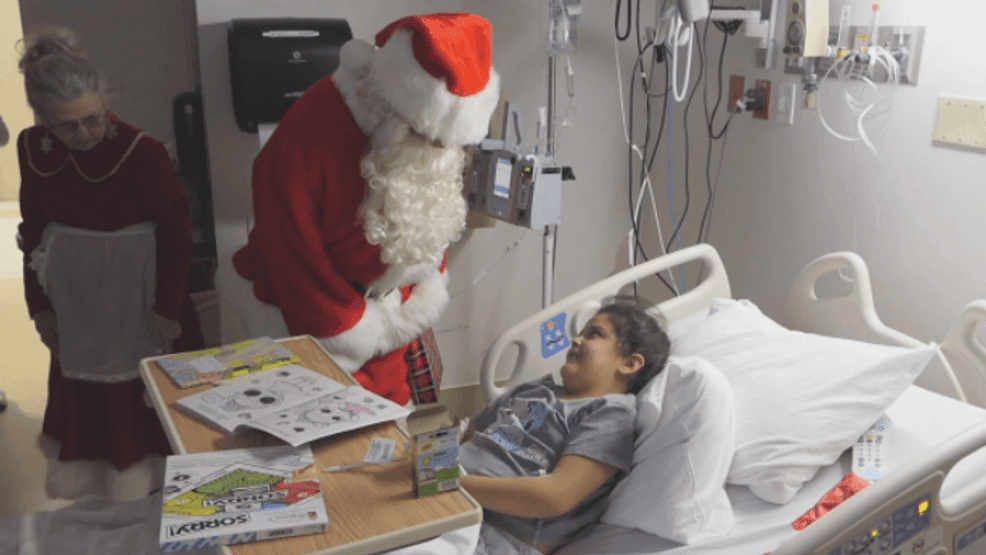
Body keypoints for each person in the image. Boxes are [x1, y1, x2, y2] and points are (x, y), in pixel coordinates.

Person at [230, 13, 500, 406]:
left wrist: (415, 298)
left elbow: (426, 208)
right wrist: (353, 328)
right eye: (428, 137)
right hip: (313, 320)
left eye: (448, 142)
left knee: (393, 444)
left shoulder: (429, 137)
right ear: (395, 105)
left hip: (392, 322)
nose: (440, 151)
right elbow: (290, 252)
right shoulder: (311, 130)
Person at [16, 26, 205, 501]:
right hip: (78, 306)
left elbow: (177, 238)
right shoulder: (31, 148)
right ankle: (109, 512)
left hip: (142, 300)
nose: (84, 136)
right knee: (93, 408)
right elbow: (33, 233)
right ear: (41, 118)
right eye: (66, 126)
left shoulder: (142, 152)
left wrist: (167, 310)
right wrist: (39, 306)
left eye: (94, 120)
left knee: (150, 409)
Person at [457, 296, 671, 555]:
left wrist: (450, 484)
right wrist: (426, 463)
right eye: (580, 333)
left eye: (595, 334)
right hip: (448, 498)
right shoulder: (534, 391)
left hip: (495, 537)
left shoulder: (609, 416)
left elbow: (556, 496)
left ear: (630, 363)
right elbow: (469, 440)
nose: (576, 340)